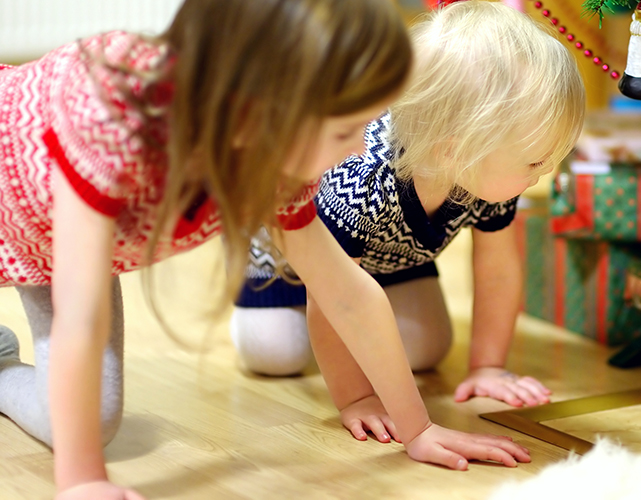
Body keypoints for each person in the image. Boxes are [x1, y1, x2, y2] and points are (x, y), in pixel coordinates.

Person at [0, 1, 527, 499]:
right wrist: (80, 481)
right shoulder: (111, 122)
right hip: (25, 211)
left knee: (92, 419)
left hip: (53, 249)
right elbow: (80, 316)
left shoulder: (277, 162)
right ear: (259, 113)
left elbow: (346, 294)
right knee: (81, 433)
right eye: (347, 129)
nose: (363, 147)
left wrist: (418, 429)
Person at [229, 0, 586, 443]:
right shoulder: (364, 177)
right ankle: (276, 312)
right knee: (275, 352)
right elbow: (333, 295)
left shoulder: (487, 178)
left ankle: (353, 339)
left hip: (392, 263)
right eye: (535, 161)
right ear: (456, 150)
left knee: (427, 347)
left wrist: (487, 365)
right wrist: (357, 397)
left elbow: (497, 271)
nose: (545, 171)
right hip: (299, 267)